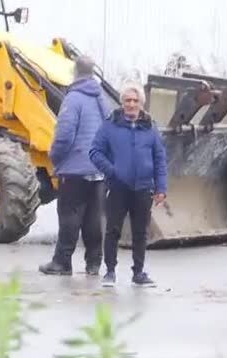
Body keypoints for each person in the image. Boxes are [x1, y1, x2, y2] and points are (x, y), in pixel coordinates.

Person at [88, 81, 167, 288]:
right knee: (112, 230)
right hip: (118, 188)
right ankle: (110, 271)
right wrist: (112, 171)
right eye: (127, 100)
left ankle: (138, 273)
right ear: (122, 103)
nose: (131, 104)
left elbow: (159, 159)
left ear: (141, 103)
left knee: (140, 232)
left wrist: (161, 188)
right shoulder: (109, 126)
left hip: (143, 188)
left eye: (135, 101)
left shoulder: (150, 128)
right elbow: (95, 152)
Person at [40, 56, 111, 276]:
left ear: (75, 72)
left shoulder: (73, 99)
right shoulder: (102, 99)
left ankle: (62, 262)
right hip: (98, 170)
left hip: (75, 169)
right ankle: (94, 263)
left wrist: (55, 157)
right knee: (93, 218)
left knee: (70, 217)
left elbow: (64, 135)